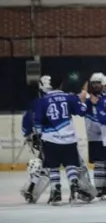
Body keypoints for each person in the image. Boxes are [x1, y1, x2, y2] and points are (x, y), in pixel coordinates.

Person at [33, 75, 89, 205]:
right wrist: (83, 102)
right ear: (61, 84)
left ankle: (56, 192)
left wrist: (38, 136)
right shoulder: (69, 97)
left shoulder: (42, 101)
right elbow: (81, 111)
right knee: (70, 165)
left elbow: (38, 122)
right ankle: (74, 188)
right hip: (69, 139)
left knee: (53, 167)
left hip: (51, 139)